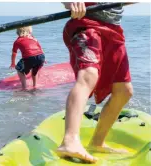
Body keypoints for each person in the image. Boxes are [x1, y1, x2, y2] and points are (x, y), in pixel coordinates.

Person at [56, 2, 133, 163]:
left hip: (114, 31)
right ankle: (69, 140)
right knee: (88, 75)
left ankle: (97, 142)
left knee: (124, 91)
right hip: (86, 24)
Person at [9, 26, 46, 90]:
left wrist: (13, 63)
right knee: (35, 70)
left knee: (19, 69)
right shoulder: (33, 38)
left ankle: (24, 87)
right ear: (29, 31)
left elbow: (14, 53)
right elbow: (40, 48)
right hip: (41, 56)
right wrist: (43, 59)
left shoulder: (17, 41)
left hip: (29, 58)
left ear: (17, 32)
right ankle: (35, 86)